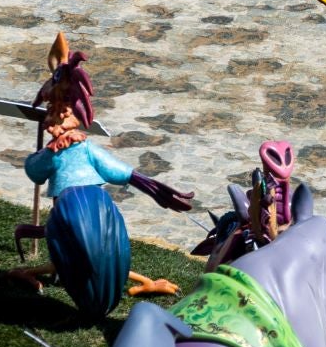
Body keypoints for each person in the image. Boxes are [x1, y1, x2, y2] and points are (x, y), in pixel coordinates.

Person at [14, 37, 196, 319]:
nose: (56, 113)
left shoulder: (85, 149)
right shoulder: (59, 151)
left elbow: (119, 171)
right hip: (73, 210)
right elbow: (34, 172)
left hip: (91, 207)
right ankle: (29, 273)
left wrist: (154, 187)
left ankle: (136, 281)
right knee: (76, 247)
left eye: (62, 104)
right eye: (53, 105)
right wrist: (51, 152)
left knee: (105, 247)